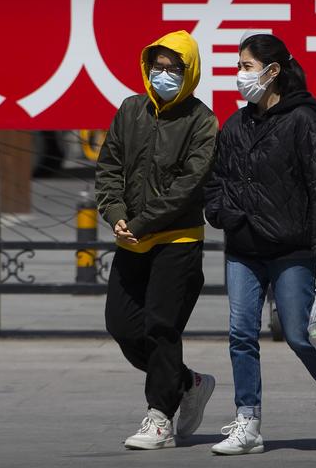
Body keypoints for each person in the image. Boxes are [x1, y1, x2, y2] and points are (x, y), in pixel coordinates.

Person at [204, 32, 316, 455]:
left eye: (246, 67)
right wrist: (221, 214)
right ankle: (248, 421)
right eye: (238, 66)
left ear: (272, 72)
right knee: (240, 333)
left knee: (298, 334)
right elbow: (216, 182)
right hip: (243, 247)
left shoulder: (303, 121)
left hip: (291, 246)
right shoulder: (235, 125)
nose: (240, 75)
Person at [95, 30, 218, 450]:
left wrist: (144, 221)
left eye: (173, 68)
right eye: (157, 67)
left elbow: (189, 185)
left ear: (190, 73)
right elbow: (109, 169)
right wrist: (116, 214)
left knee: (162, 327)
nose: (163, 75)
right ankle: (188, 382)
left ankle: (159, 416)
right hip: (131, 238)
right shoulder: (130, 110)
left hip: (177, 239)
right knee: (122, 325)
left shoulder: (202, 121)